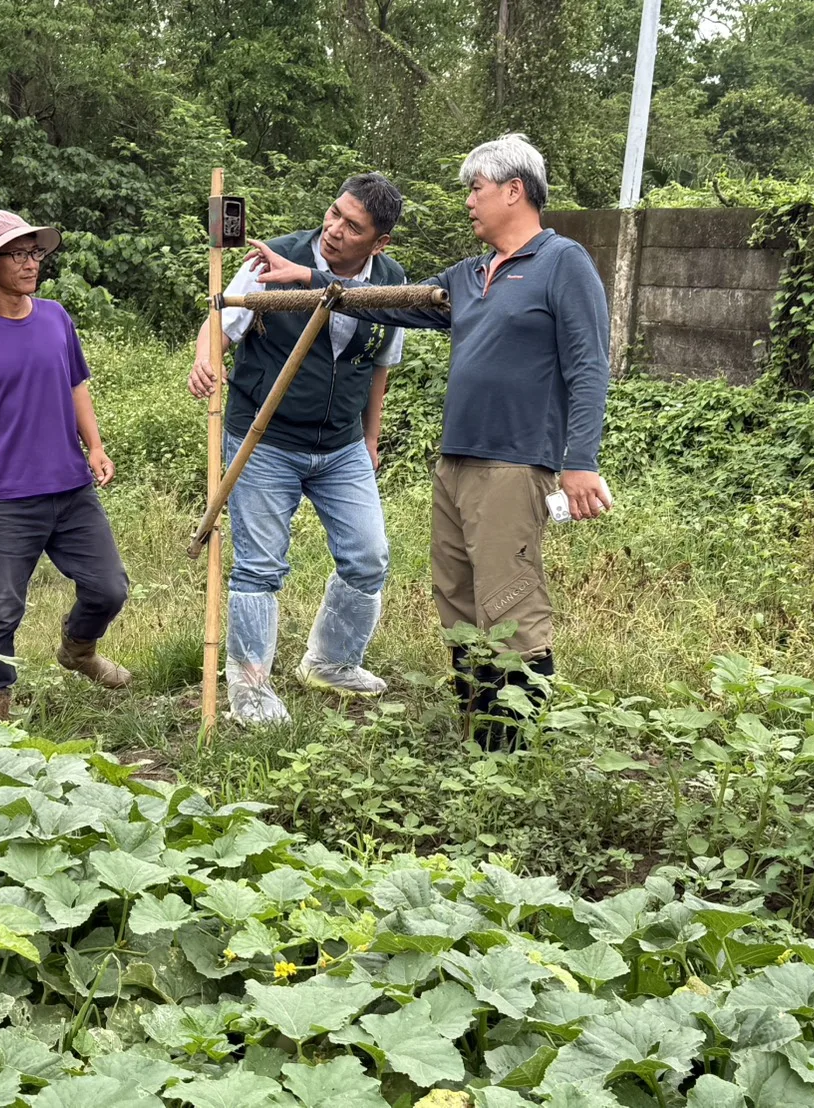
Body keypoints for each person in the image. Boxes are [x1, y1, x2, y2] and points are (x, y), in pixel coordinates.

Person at [246, 134, 611, 749]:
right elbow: (387, 304)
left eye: (476, 189)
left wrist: (580, 462)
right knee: (457, 597)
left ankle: (512, 749)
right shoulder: (468, 275)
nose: (468, 200)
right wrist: (309, 276)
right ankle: (477, 732)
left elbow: (589, 364)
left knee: (510, 601)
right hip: (456, 462)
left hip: (515, 462)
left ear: (514, 191)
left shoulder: (562, 263)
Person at [189, 172, 407, 724]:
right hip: (264, 439)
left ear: (379, 242)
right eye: (334, 213)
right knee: (259, 566)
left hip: (341, 445)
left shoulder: (391, 281)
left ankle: (331, 663)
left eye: (352, 226)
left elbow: (379, 366)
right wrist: (205, 360)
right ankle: (250, 689)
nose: (333, 229)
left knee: (368, 555)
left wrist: (371, 438)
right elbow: (219, 321)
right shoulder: (272, 260)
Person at [0, 210, 132, 724]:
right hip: (9, 498)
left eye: (34, 253)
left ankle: (78, 650)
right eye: (16, 254)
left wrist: (95, 446)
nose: (30, 263)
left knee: (109, 588)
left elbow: (76, 385)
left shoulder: (55, 318)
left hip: (72, 490)